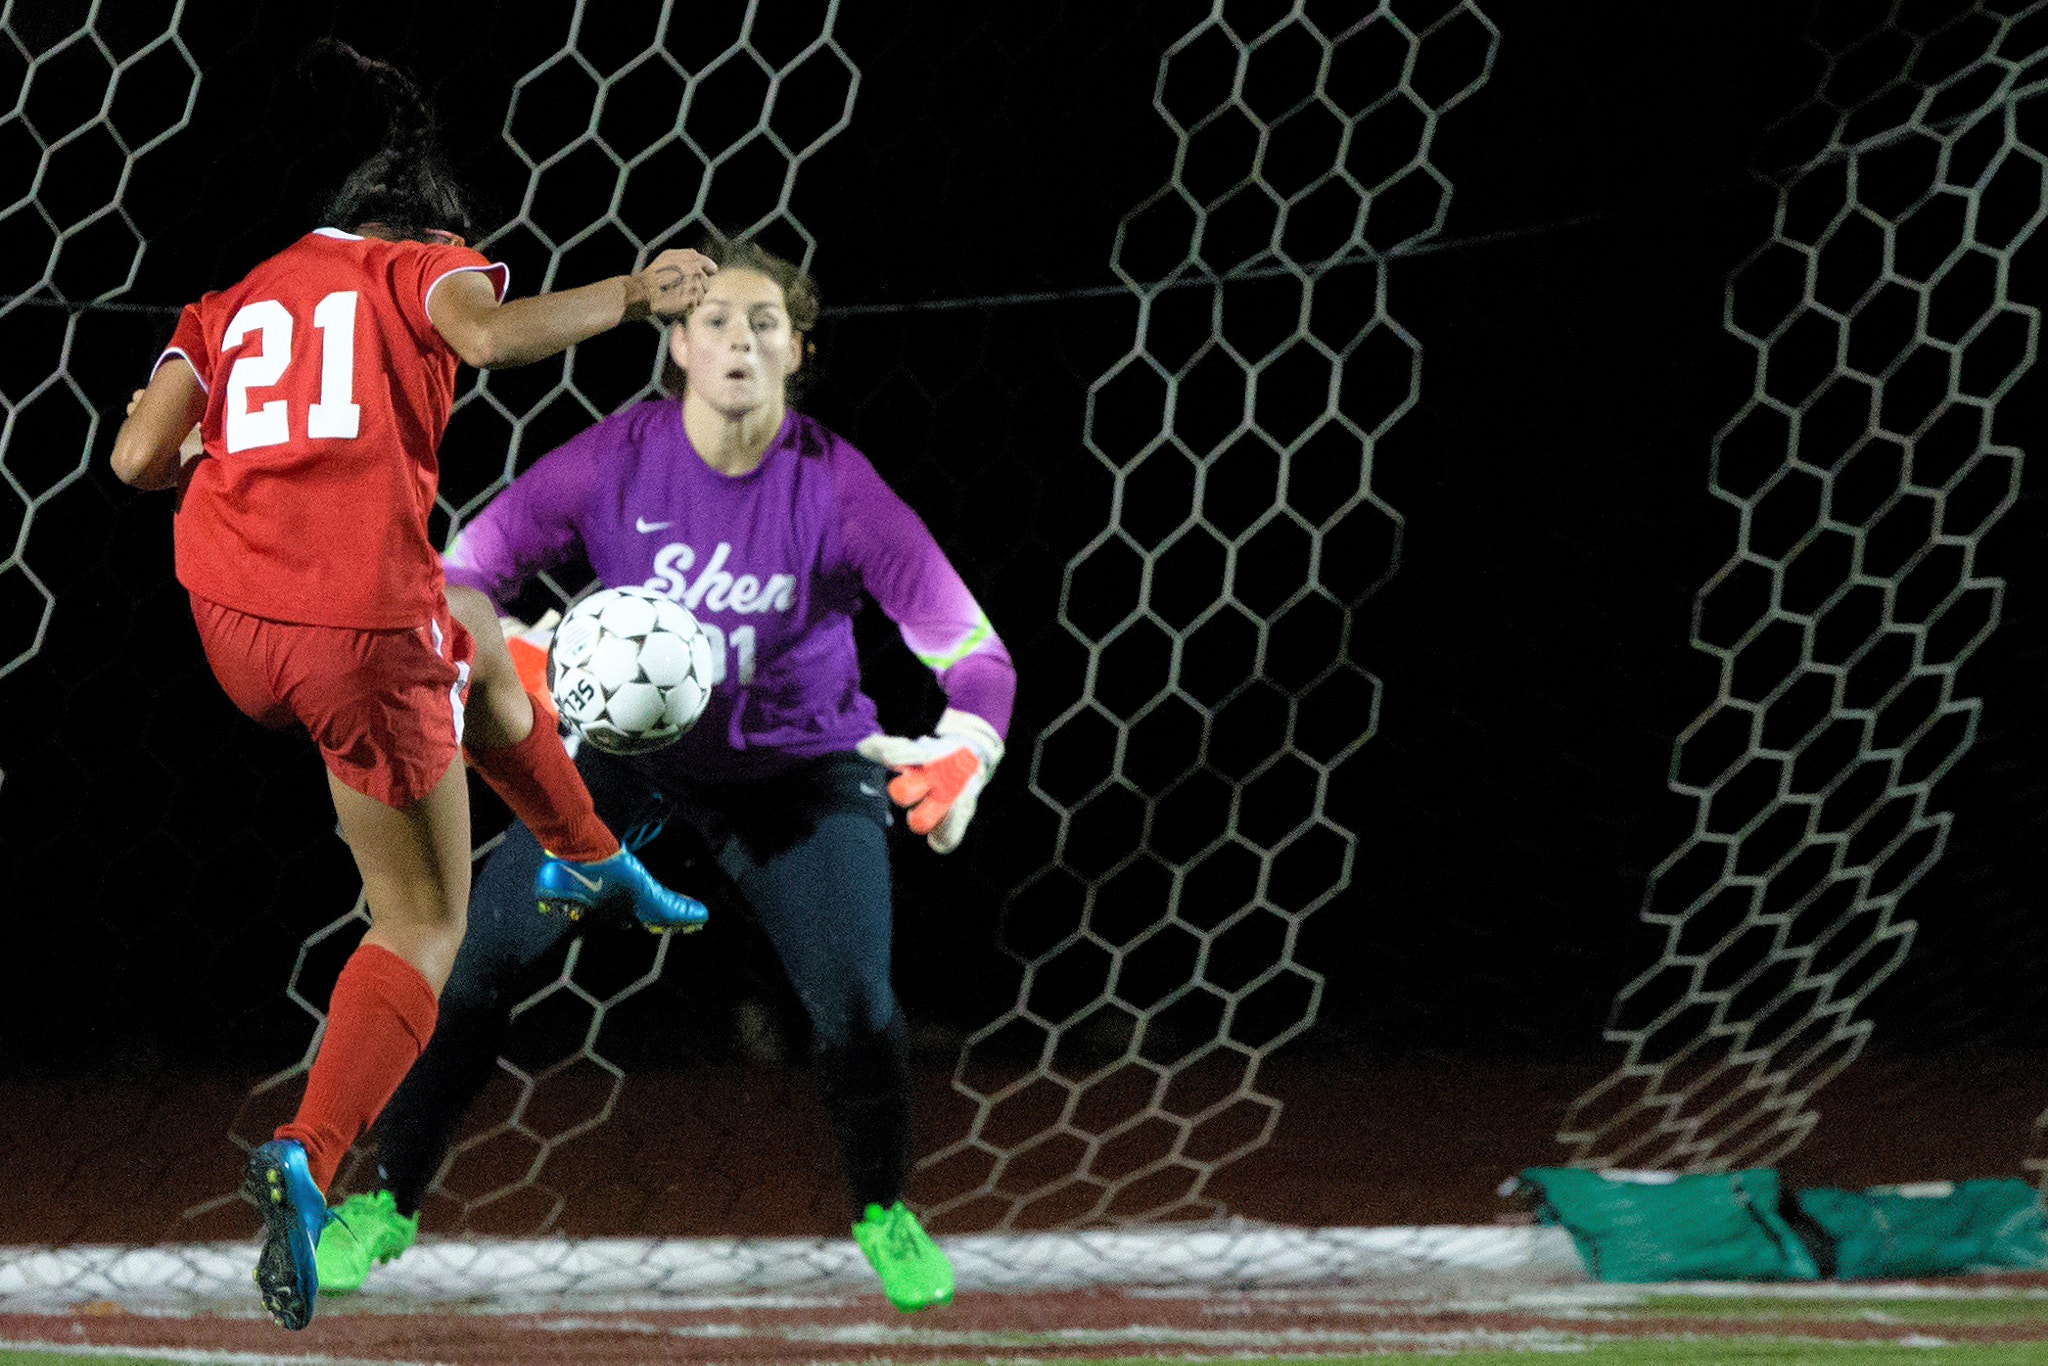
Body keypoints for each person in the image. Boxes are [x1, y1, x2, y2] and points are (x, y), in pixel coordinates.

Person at [109, 44, 718, 1331]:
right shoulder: (417, 264)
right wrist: (634, 293)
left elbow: (133, 459)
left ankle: (585, 850)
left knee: (475, 624)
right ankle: (309, 1157)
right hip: (351, 640)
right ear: (430, 224)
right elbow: (491, 334)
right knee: (421, 929)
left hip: (231, 625)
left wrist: (228, 443)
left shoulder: (227, 302)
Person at [310, 237, 1016, 1313]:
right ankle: (386, 1201)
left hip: (799, 777)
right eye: (718, 320)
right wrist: (519, 657)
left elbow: (974, 654)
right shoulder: (614, 460)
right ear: (677, 344)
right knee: (472, 959)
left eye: (765, 323)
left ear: (797, 350)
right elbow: (455, 575)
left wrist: (970, 742)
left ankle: (883, 1209)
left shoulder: (837, 486)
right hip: (626, 776)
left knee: (860, 1007)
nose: (740, 338)